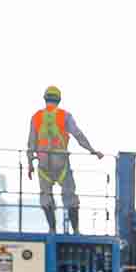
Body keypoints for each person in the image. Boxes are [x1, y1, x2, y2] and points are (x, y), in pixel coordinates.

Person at [27, 85, 103, 235]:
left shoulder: (36, 117)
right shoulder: (65, 116)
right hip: (61, 162)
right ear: (59, 100)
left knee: (45, 195)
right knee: (70, 196)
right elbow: (78, 135)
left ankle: (52, 230)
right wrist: (92, 150)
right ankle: (76, 230)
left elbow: (31, 143)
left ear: (45, 99)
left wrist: (30, 164)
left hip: (42, 163)